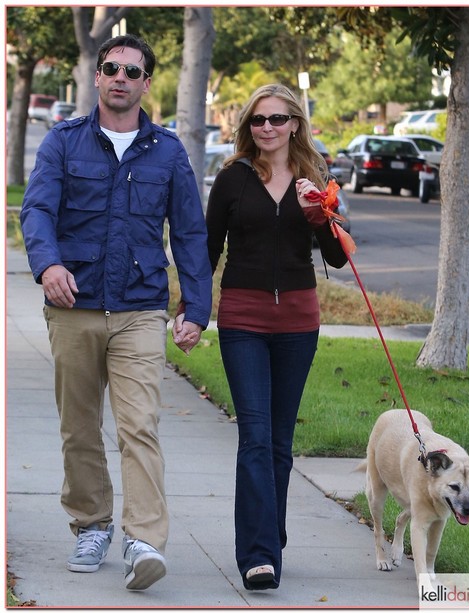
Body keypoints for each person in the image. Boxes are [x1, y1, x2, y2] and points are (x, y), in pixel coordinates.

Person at [20, 34, 212, 591]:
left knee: (139, 425)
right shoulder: (63, 142)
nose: (121, 78)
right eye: (111, 68)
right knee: (78, 427)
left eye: (133, 70)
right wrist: (48, 265)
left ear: (147, 82)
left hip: (140, 309)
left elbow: (191, 234)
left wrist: (195, 307)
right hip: (73, 306)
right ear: (98, 77)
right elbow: (36, 209)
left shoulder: (169, 152)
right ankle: (91, 524)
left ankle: (144, 540)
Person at [205, 84, 348, 590]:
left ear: (294, 123)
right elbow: (208, 250)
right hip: (243, 319)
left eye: (277, 119)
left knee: (281, 444)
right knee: (256, 436)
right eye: (258, 120)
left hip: (297, 323)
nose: (267, 128)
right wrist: (192, 310)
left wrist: (320, 216)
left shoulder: (316, 177)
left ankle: (270, 534)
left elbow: (336, 257)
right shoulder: (232, 180)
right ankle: (259, 555)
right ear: (248, 127)